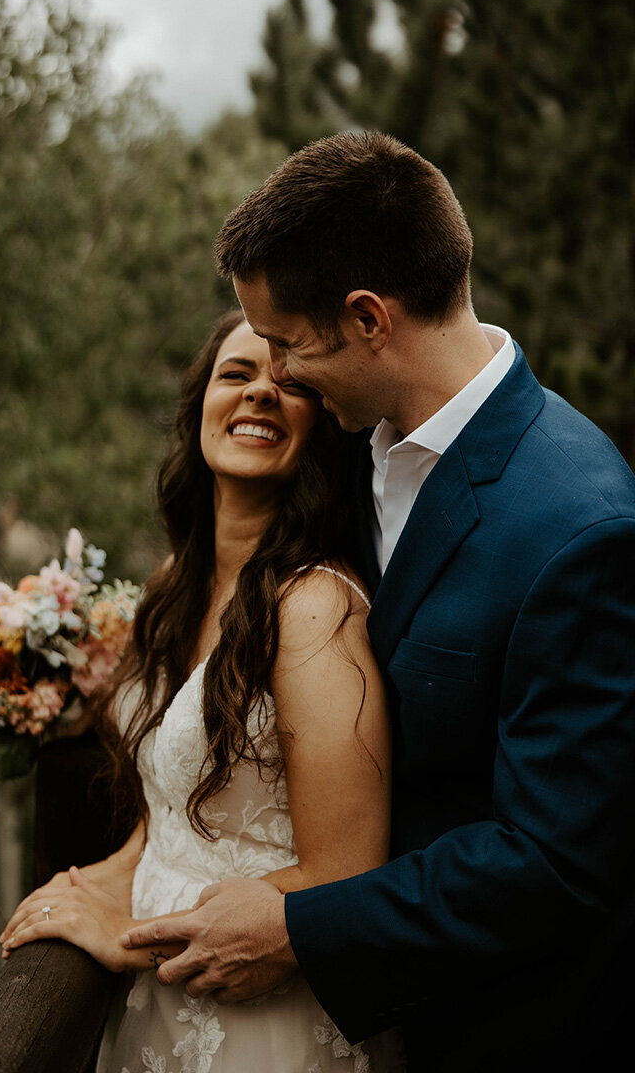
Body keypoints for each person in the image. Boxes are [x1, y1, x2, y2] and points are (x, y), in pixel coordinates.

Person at [120, 132, 635, 1073]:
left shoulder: (580, 527)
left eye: (285, 344)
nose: (275, 375)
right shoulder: (352, 449)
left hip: (501, 1032)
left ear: (368, 319)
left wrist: (302, 926)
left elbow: (555, 864)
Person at [0, 310, 407, 1072]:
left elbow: (345, 874)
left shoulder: (315, 609)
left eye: (289, 383)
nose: (259, 393)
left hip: (267, 1022)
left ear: (324, 425)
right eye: (235, 374)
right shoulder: (172, 589)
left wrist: (124, 933)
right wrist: (101, 878)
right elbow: (173, 812)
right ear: (199, 413)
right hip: (160, 1013)